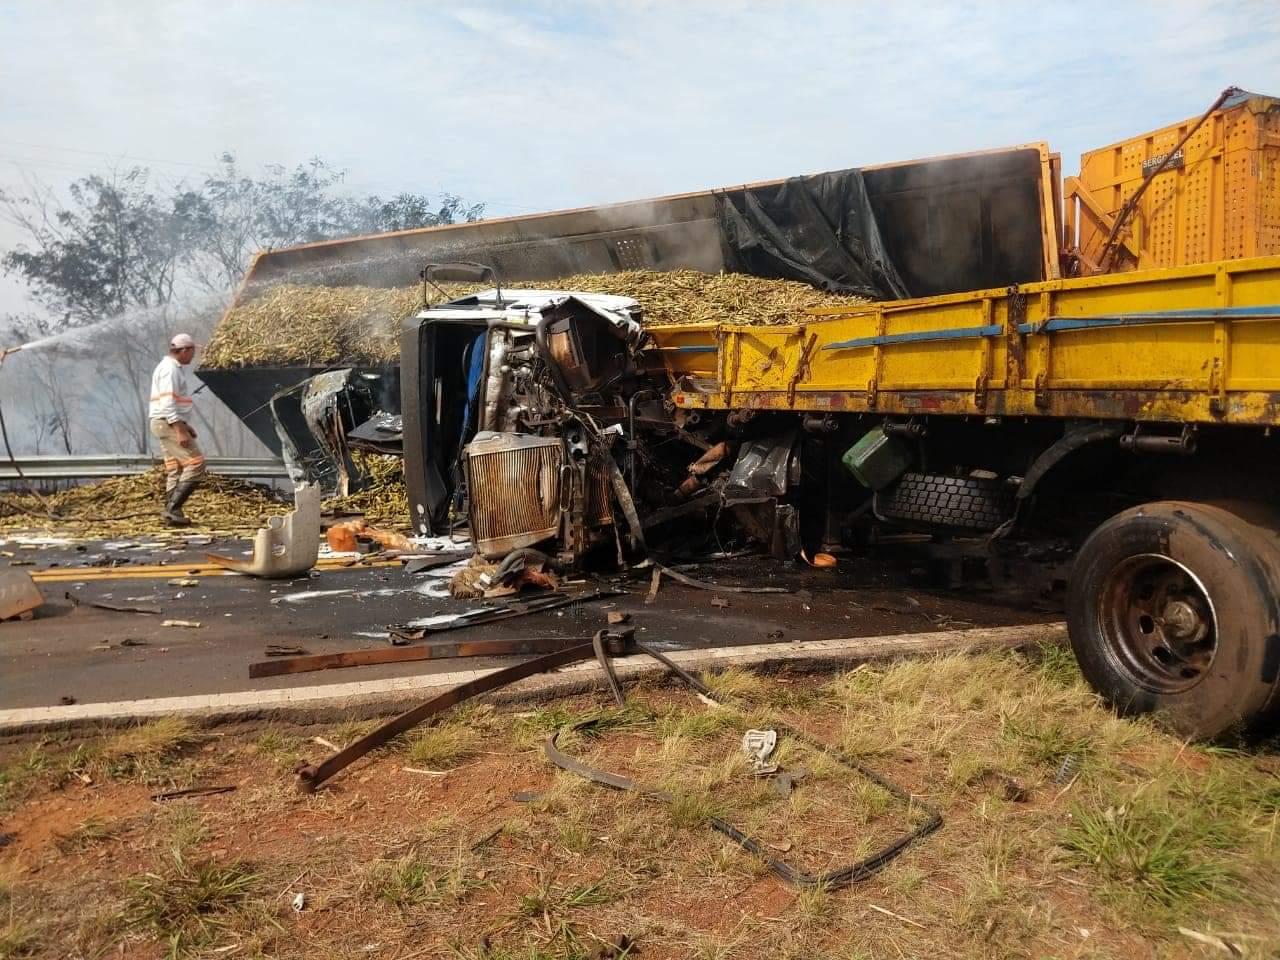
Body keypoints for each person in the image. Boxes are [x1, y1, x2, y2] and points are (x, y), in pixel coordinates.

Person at [148, 334, 206, 526]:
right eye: (192, 351)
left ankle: (172, 513)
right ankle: (172, 509)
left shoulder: (170, 368)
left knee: (175, 468)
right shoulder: (170, 370)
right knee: (196, 463)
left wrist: (185, 426)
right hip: (167, 423)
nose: (192, 356)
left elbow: (171, 404)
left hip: (165, 423)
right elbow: (167, 403)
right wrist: (179, 430)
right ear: (184, 350)